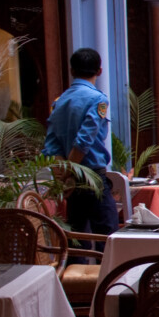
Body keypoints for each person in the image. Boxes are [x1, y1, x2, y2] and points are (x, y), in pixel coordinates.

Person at [43, 47, 118, 237]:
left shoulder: (58, 102)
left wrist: (64, 178)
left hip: (71, 185)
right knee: (108, 238)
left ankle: (76, 268)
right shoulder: (98, 99)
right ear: (99, 71)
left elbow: (51, 146)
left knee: (77, 239)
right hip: (92, 179)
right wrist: (71, 172)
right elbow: (84, 140)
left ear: (72, 71)